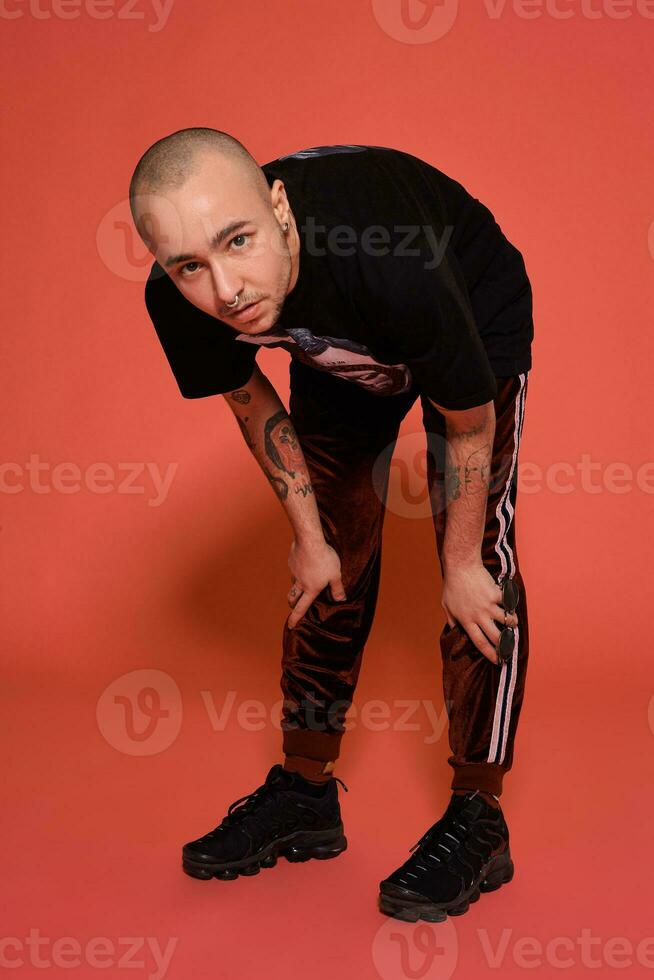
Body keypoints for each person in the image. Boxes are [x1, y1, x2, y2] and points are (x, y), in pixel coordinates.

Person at [128, 130, 533, 921]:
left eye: (238, 242)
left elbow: (470, 421)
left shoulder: (393, 261)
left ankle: (480, 814)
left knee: (477, 569)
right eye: (189, 267)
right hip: (340, 351)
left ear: (278, 209)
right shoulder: (181, 296)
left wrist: (456, 567)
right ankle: (306, 793)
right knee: (329, 567)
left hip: (468, 325)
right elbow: (251, 402)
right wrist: (312, 539)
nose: (226, 289)